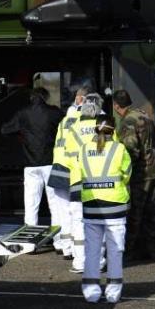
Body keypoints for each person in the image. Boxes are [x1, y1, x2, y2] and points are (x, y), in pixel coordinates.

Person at [70, 115, 132, 303]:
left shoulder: (83, 149)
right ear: (113, 130)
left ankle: (91, 291)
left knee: (92, 250)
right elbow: (127, 175)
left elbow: (78, 174)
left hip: (91, 206)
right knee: (115, 250)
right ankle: (113, 292)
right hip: (115, 206)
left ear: (95, 129)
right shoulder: (119, 149)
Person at [1, 88, 65, 231]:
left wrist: (20, 135)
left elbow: (5, 130)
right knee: (55, 204)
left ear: (32, 98)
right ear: (45, 97)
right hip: (50, 163)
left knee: (31, 204)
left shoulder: (23, 114)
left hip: (30, 165)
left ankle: (30, 240)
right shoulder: (54, 112)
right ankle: (60, 242)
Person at [112, 90, 155, 261]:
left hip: (141, 173)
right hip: (154, 169)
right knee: (151, 213)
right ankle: (151, 250)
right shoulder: (144, 115)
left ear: (116, 106)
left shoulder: (128, 121)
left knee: (135, 213)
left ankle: (129, 250)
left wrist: (124, 172)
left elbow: (130, 149)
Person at [64, 93, 107, 273]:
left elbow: (67, 157)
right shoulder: (105, 127)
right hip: (100, 183)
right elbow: (114, 153)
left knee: (79, 224)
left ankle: (80, 263)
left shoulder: (74, 128)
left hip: (78, 181)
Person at [48, 85, 91, 259]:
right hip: (74, 168)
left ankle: (66, 248)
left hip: (59, 166)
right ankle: (78, 249)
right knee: (78, 212)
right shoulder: (84, 121)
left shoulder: (64, 120)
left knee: (62, 211)